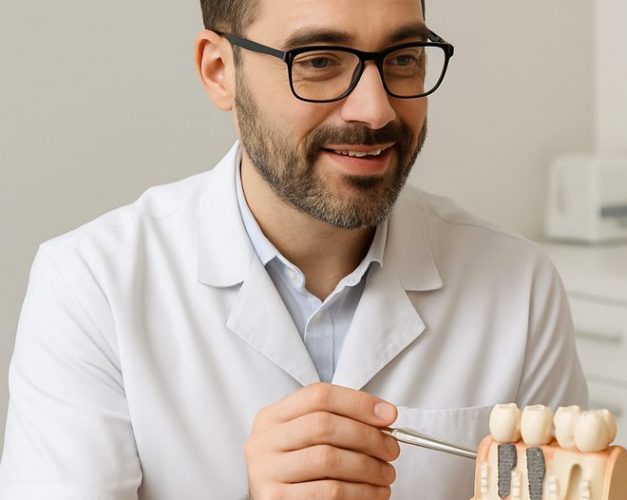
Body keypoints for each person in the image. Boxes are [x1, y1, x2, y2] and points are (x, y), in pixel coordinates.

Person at [0, 0, 588, 498]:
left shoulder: (519, 283)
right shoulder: (90, 286)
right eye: (319, 61)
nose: (376, 109)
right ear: (219, 71)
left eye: (403, 58)